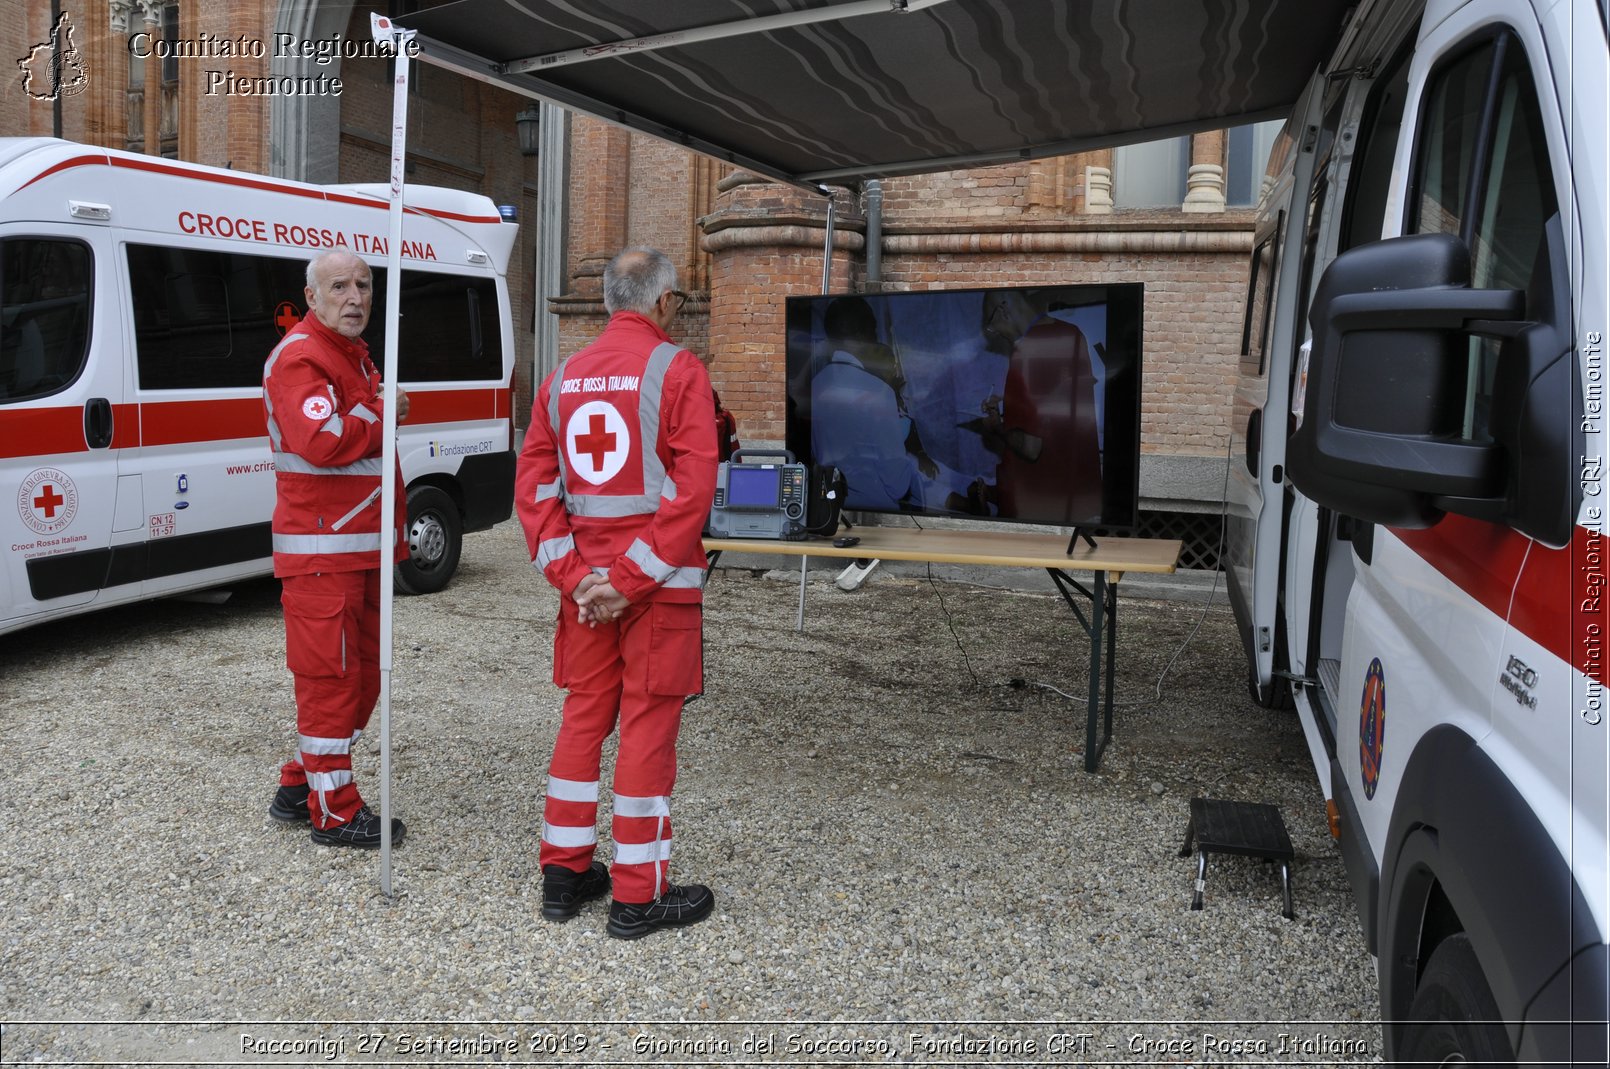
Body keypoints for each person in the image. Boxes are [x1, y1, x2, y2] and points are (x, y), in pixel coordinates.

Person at [515, 246, 718, 940]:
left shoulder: (561, 377)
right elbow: (692, 492)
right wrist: (627, 583)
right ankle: (638, 893)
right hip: (653, 592)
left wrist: (579, 580)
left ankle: (563, 873)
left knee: (583, 720)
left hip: (587, 595)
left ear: (605, 301)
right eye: (680, 301)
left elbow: (535, 492)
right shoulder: (679, 370)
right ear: (662, 303)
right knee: (647, 727)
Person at [263, 248, 408, 849]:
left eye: (364, 286)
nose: (356, 298)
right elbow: (322, 441)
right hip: (324, 552)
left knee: (360, 679)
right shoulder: (301, 357)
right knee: (330, 682)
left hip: (357, 547)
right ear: (313, 296)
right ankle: (335, 811)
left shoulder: (351, 354)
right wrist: (381, 411)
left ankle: (301, 784)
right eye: (341, 287)